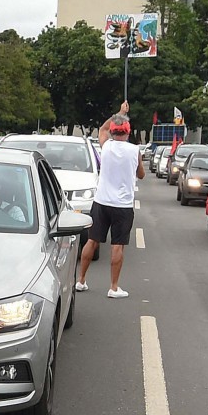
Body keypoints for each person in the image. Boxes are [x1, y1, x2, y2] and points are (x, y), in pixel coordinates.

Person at [76, 113, 144, 298]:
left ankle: (81, 280)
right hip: (122, 205)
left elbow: (102, 129)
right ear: (128, 132)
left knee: (92, 240)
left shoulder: (105, 146)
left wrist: (120, 113)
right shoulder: (134, 150)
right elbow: (141, 174)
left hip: (101, 201)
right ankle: (114, 287)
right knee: (117, 246)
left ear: (113, 131)